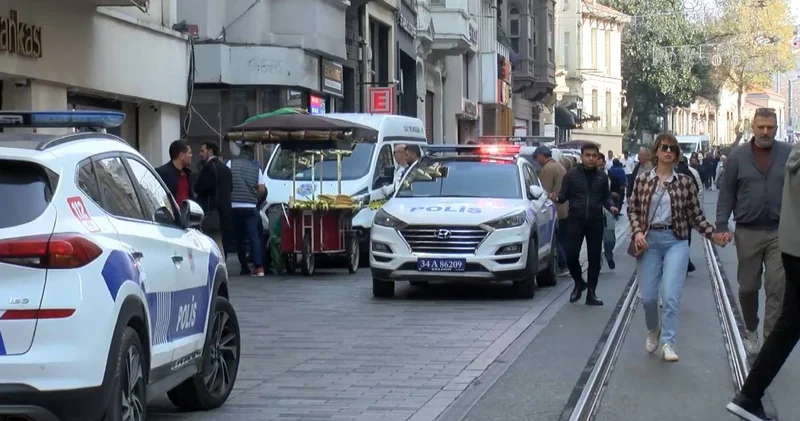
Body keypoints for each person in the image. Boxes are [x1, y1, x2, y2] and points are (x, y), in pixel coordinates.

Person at [628, 133, 729, 362]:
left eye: (673, 149)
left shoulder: (684, 182)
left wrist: (714, 235)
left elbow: (696, 216)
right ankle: (654, 329)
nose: (668, 151)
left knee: (671, 296)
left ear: (676, 155)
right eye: (664, 147)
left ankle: (668, 343)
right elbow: (632, 209)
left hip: (676, 241)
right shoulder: (643, 180)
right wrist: (637, 232)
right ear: (656, 152)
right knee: (649, 298)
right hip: (648, 241)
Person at [726, 144, 800, 421]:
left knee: (787, 326)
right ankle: (748, 396)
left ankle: (749, 396)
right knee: (785, 324)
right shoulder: (740, 157)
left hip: (791, 247)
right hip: (777, 240)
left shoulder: (793, 154)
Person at [717, 108, 792, 354]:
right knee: (748, 287)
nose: (765, 132)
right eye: (761, 127)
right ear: (753, 126)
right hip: (747, 231)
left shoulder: (789, 154)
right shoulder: (738, 156)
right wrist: (720, 224)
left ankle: (770, 342)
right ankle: (751, 329)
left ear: (776, 128)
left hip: (780, 232)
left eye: (770, 127)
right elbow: (727, 193)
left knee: (776, 287)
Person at [549, 144, 618, 305]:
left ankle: (591, 293)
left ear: (597, 157)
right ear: (582, 156)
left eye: (594, 155)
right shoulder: (571, 175)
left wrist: (611, 206)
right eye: (588, 155)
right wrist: (556, 198)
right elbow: (563, 196)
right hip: (575, 220)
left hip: (595, 221)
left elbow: (606, 197)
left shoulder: (602, 177)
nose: (591, 158)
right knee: (571, 255)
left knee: (594, 258)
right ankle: (579, 282)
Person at [227, 144, 267, 277]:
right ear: (251, 155)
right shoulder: (256, 167)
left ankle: (244, 266)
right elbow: (261, 189)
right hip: (250, 206)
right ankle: (259, 267)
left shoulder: (230, 163)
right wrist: (255, 197)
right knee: (254, 237)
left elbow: (226, 182)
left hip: (234, 206)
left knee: (239, 238)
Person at [534, 147, 568, 276]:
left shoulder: (547, 169)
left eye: (537, 157)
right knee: (562, 238)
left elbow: (543, 191)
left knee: (555, 239)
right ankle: (565, 264)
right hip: (563, 208)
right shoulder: (559, 166)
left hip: (554, 209)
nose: (537, 161)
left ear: (542, 155)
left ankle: (563, 264)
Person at [194, 141, 233, 257]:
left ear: (210, 151)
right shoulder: (226, 169)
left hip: (211, 211)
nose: (200, 154)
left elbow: (199, 188)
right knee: (221, 241)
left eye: (202, 151)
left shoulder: (208, 168)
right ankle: (223, 265)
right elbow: (230, 188)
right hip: (225, 211)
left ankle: (218, 269)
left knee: (211, 242)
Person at [156, 140, 195, 205]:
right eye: (189, 153)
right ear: (181, 155)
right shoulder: (162, 173)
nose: (191, 155)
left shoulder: (187, 174)